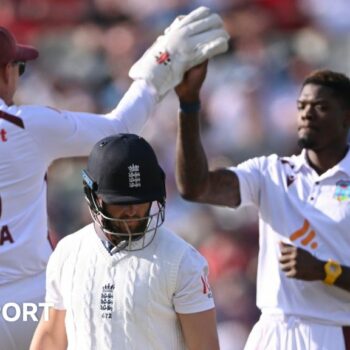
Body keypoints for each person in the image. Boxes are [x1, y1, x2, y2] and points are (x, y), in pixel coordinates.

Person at [0, 8, 229, 350]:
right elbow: (117, 132)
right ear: (4, 73)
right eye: (17, 67)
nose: (17, 76)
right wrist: (159, 66)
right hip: (29, 298)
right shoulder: (23, 126)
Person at [174, 62, 350, 349]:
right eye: (302, 105)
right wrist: (189, 104)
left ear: (346, 117)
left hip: (332, 332)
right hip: (271, 331)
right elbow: (196, 187)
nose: (306, 113)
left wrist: (325, 271)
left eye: (320, 106)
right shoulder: (271, 171)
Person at [30, 133, 219, 350]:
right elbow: (52, 335)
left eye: (141, 201)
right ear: (93, 196)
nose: (132, 211)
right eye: (120, 202)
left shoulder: (182, 261)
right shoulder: (67, 253)